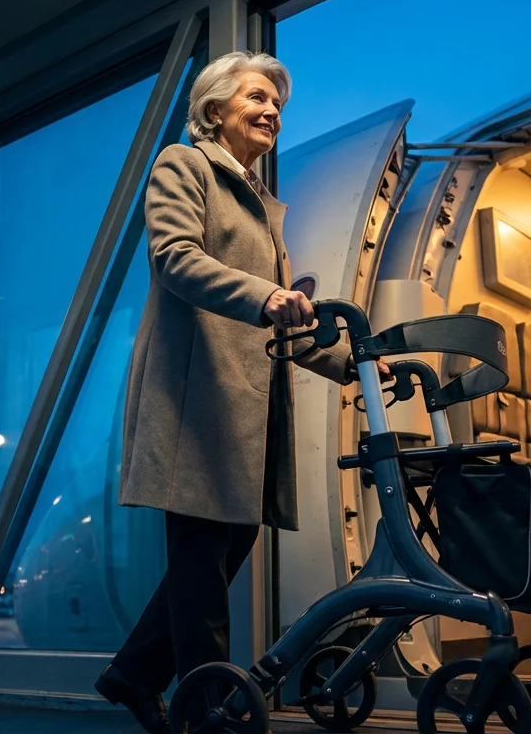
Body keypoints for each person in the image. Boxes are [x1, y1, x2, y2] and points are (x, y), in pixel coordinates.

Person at [93, 51, 389, 733]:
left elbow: (290, 322)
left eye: (278, 106)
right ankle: (205, 715)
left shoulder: (258, 205)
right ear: (214, 108)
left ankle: (131, 676)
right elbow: (174, 258)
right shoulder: (183, 165)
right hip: (198, 403)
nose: (272, 113)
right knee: (201, 572)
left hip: (244, 409)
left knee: (215, 563)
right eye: (258, 98)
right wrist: (268, 298)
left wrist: (360, 364)